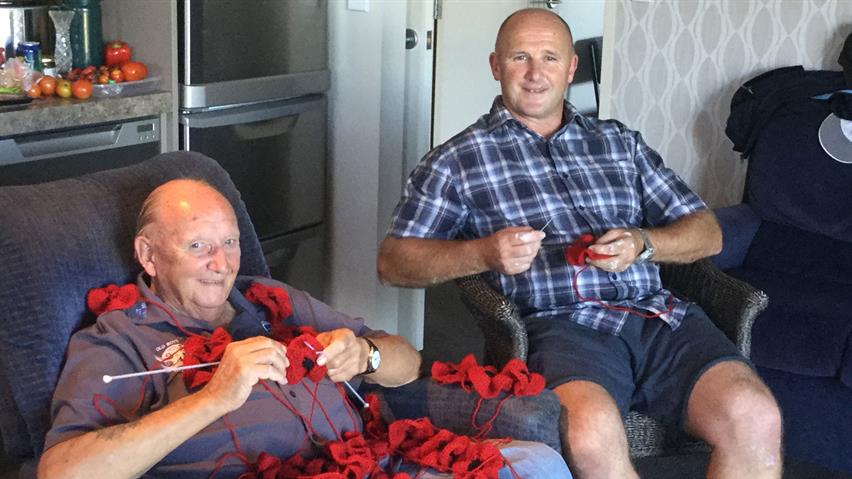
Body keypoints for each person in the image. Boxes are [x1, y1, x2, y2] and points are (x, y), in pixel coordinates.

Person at [379, 8, 782, 479]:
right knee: (591, 433)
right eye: (520, 57)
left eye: (550, 58)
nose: (535, 73)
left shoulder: (620, 143)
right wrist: (482, 253)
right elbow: (393, 262)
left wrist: (642, 243)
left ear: (570, 68)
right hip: (559, 328)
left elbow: (707, 232)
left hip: (659, 317)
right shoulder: (454, 161)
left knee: (756, 415)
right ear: (495, 66)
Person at [38, 179, 570, 478]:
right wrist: (213, 398)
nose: (220, 263)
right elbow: (60, 471)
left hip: (371, 462)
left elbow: (407, 364)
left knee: (539, 461)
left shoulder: (271, 303)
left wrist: (366, 355)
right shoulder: (119, 340)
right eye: (197, 246)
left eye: (229, 243)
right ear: (148, 256)